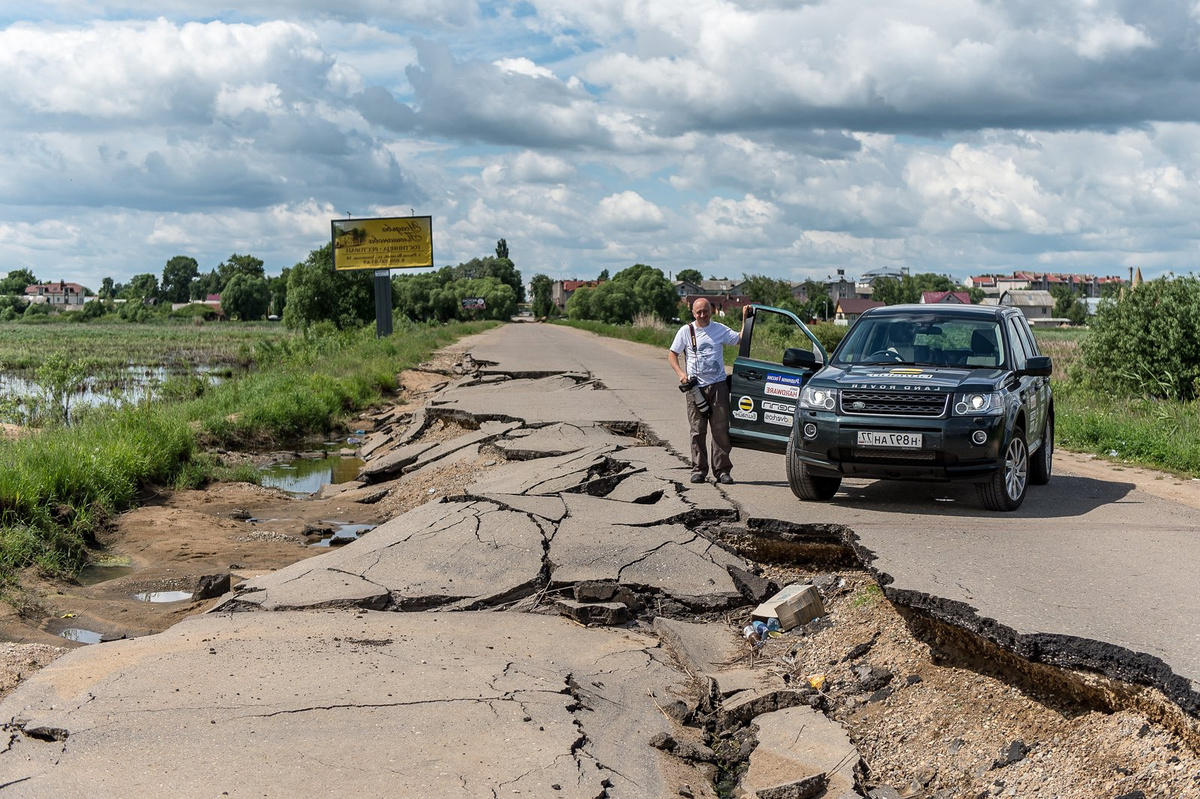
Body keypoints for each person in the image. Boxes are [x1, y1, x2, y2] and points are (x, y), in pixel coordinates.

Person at [668, 299, 751, 484]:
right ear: (693, 312)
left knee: (720, 430)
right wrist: (681, 374)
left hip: (718, 386)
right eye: (699, 312)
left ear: (711, 311)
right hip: (695, 388)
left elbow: (739, 339)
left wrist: (745, 317)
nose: (702, 315)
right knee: (697, 430)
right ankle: (698, 470)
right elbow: (672, 354)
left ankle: (722, 470)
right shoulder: (685, 331)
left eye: (705, 311)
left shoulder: (719, 329)